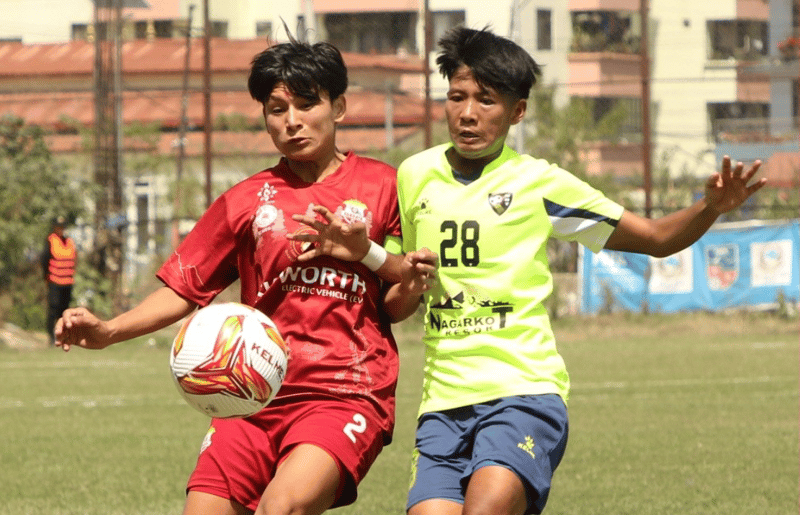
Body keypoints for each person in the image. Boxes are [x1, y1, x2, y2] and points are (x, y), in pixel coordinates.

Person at [55, 34, 435, 515]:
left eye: (307, 104)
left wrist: (375, 259)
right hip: (251, 390)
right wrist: (110, 331)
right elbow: (184, 288)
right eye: (277, 109)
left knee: (282, 507)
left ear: (339, 107)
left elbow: (396, 302)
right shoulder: (246, 200)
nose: (292, 121)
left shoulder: (383, 186)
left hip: (345, 391)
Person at [394, 26, 766, 515]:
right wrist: (405, 280)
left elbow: (655, 238)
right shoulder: (414, 175)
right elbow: (398, 297)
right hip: (442, 403)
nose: (467, 113)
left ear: (517, 111)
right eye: (457, 96)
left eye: (486, 100)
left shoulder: (539, 184)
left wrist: (709, 207)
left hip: (523, 393)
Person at [42, 215, 76, 346]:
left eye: (63, 227)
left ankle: (64, 335)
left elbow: (74, 260)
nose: (61, 229)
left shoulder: (69, 241)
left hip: (67, 282)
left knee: (64, 310)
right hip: (54, 281)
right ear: (54, 227)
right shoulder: (50, 240)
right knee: (53, 309)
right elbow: (44, 260)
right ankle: (51, 337)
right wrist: (46, 277)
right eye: (58, 227)